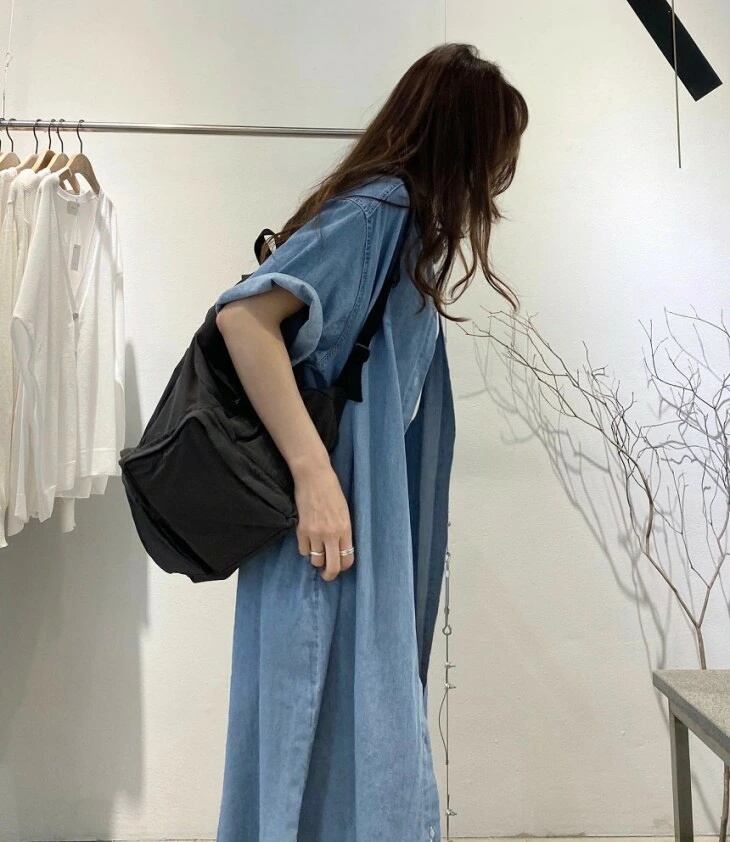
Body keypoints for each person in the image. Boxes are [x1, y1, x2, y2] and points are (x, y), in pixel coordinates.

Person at [213, 42, 527, 842]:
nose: (498, 175)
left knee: (341, 735)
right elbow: (244, 319)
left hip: (354, 530)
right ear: (463, 140)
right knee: (325, 733)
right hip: (328, 532)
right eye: (496, 149)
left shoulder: (400, 226)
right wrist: (315, 477)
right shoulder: (378, 211)